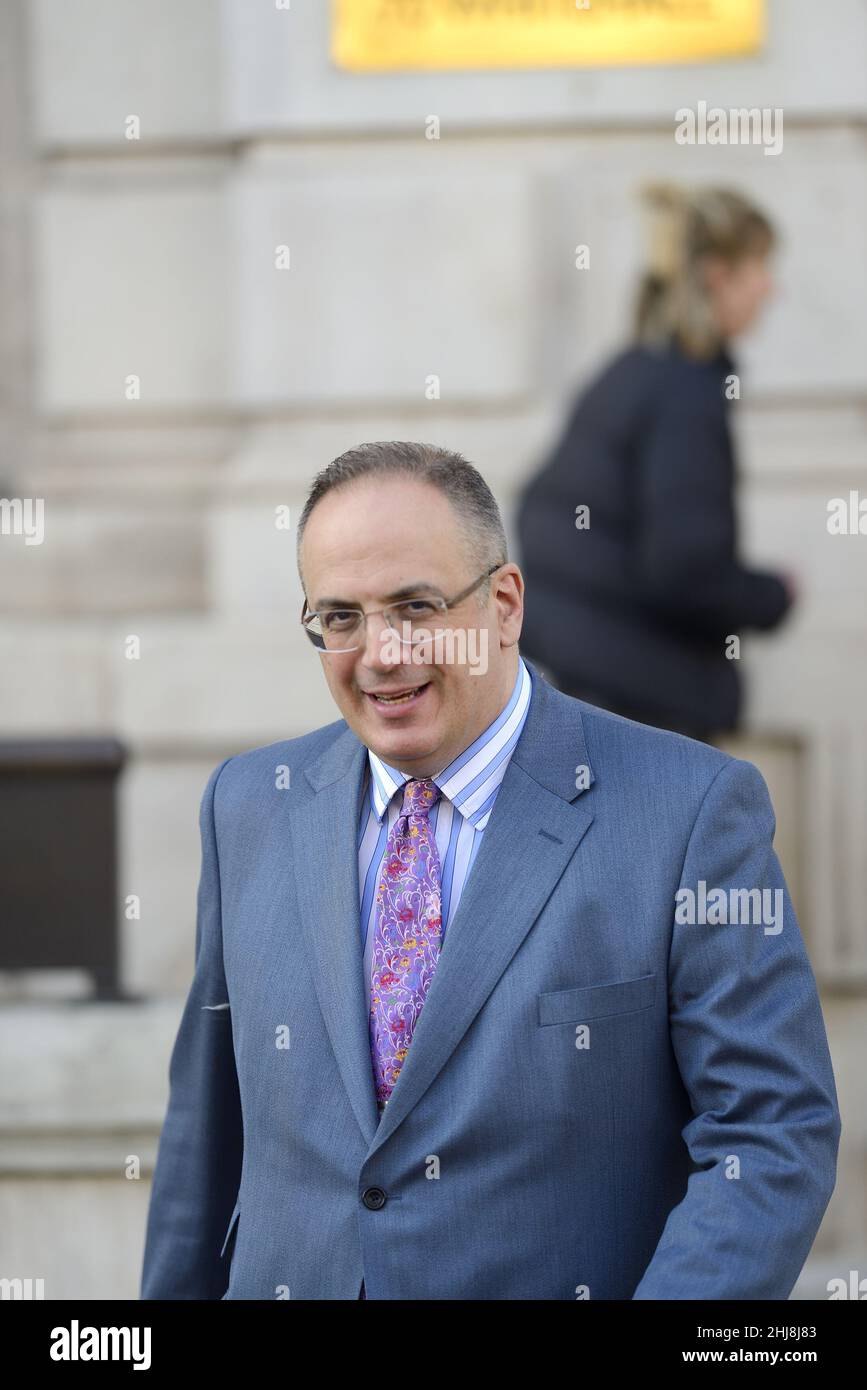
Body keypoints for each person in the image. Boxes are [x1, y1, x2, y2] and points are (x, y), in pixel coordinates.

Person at [140, 441, 838, 1301]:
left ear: (503, 605)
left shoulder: (691, 813)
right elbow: (205, 1144)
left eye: (415, 607)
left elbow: (768, 1133)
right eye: (341, 618)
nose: (380, 654)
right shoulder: (246, 804)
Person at [516, 184, 797, 742]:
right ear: (717, 276)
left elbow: (542, 513)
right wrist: (774, 595)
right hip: (648, 714)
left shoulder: (632, 372)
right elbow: (686, 570)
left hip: (589, 691)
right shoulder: (686, 392)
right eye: (759, 267)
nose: (771, 288)